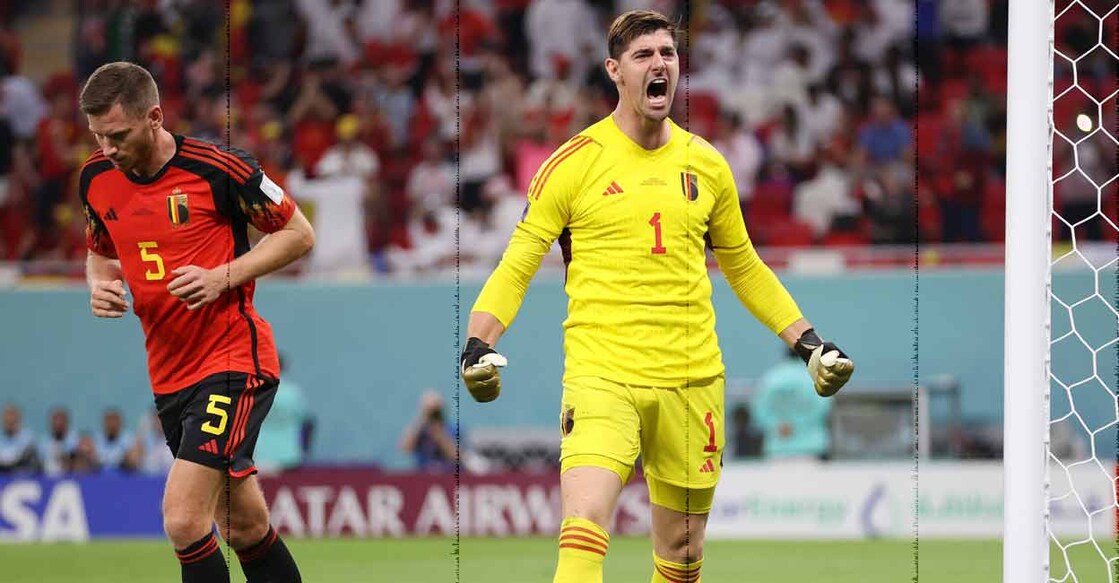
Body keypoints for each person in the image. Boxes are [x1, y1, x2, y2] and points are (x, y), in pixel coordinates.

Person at [459, 10, 854, 583]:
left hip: (692, 379)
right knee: (585, 522)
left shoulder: (707, 163)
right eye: (645, 55)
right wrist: (476, 343)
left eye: (668, 53)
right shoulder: (572, 164)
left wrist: (810, 344)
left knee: (684, 554)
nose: (659, 64)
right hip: (603, 374)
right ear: (615, 71)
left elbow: (744, 267)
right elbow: (517, 264)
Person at [79, 61, 313, 583]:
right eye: (98, 136)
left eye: (117, 135)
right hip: (169, 377)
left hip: (232, 360)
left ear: (155, 116)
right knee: (244, 525)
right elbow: (99, 252)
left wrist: (222, 276)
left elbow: (299, 234)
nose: (108, 149)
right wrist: (100, 284)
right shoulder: (95, 177)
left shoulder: (218, 168)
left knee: (185, 519)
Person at [752, 347, 833, 461]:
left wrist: (776, 426)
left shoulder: (772, 377)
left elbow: (759, 410)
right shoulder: (814, 376)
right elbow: (824, 408)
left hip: (778, 447)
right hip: (812, 447)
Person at [398, 389, 459, 472]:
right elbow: (405, 448)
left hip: (446, 473)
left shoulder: (452, 428)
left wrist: (439, 434)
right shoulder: (419, 429)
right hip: (422, 473)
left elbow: (456, 455)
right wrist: (421, 419)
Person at [0, 403, 39, 474]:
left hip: (21, 478)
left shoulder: (27, 438)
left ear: (18, 420)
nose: (9, 422)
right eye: (7, 420)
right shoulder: (1, 440)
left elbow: (25, 461)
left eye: (12, 420)